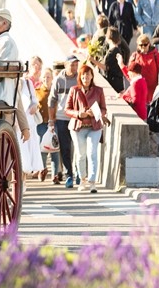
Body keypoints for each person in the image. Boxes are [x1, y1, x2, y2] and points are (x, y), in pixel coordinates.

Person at [65, 64, 109, 193]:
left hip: (94, 127)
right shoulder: (74, 90)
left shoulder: (98, 91)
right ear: (80, 76)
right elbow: (67, 109)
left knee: (92, 152)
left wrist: (96, 113)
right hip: (78, 127)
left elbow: (104, 109)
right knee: (80, 154)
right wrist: (79, 114)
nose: (86, 77)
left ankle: (92, 181)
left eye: (88, 74)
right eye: (83, 74)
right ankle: (82, 179)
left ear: (92, 76)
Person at [48, 55, 79, 188]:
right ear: (66, 65)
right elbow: (51, 101)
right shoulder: (58, 80)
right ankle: (69, 175)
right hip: (61, 118)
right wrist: (51, 119)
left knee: (78, 148)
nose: (74, 67)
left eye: (76, 64)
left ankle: (78, 173)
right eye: (72, 64)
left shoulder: (80, 78)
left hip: (77, 117)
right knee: (65, 148)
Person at [35, 67, 59, 182]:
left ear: (52, 78)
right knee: (43, 148)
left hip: (54, 122)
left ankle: (55, 174)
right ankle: (42, 169)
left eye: (48, 77)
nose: (46, 79)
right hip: (42, 124)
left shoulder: (55, 91)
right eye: (44, 77)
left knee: (55, 148)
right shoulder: (37, 91)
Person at [127, 34, 159, 103]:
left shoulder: (155, 55)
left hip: (152, 87)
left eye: (145, 44)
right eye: (141, 45)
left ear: (149, 44)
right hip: (139, 86)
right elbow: (130, 70)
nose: (143, 47)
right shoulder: (135, 55)